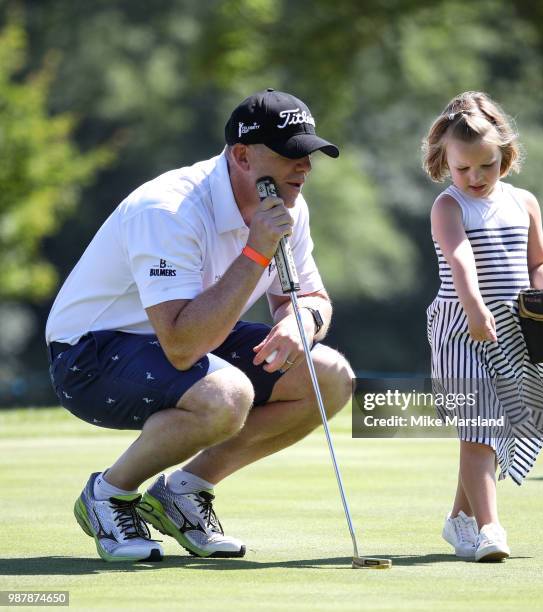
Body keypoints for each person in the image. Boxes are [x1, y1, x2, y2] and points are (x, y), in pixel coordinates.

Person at [45, 88, 354, 562]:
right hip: (88, 356)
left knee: (329, 376)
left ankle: (183, 493)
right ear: (243, 156)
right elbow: (183, 345)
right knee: (225, 395)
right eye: (291, 154)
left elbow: (312, 297)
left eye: (309, 154)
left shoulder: (289, 205)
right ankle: (108, 494)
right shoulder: (168, 209)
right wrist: (257, 251)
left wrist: (303, 319)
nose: (305, 168)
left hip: (184, 334)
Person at [422, 91, 543, 562]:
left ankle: (459, 519)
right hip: (463, 327)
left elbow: (539, 261)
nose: (475, 178)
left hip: (518, 331)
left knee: (501, 426)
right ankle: (490, 528)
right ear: (445, 161)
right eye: (463, 169)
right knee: (480, 423)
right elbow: (460, 263)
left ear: (506, 155)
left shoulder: (524, 202)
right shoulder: (449, 206)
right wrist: (476, 310)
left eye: (487, 166)